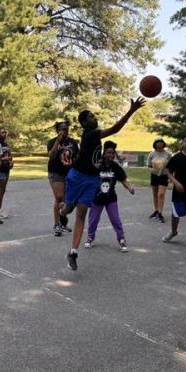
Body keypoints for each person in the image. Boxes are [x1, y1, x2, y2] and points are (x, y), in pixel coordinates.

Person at [62, 97, 146, 270]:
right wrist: (131, 110)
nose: (95, 118)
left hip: (91, 179)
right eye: (92, 117)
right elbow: (115, 128)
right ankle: (61, 210)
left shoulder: (92, 135)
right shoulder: (90, 134)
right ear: (85, 122)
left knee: (81, 216)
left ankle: (73, 252)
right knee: (68, 209)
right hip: (77, 176)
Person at [85, 141, 134, 251]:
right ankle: (90, 237)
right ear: (104, 153)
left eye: (112, 153)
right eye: (108, 153)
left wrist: (130, 187)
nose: (111, 155)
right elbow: (88, 178)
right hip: (97, 198)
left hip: (111, 198)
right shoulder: (97, 165)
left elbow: (123, 180)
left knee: (115, 220)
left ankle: (121, 239)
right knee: (93, 220)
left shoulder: (115, 167)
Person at [47, 120, 78, 236]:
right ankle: (56, 225)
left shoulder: (73, 142)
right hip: (56, 172)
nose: (65, 131)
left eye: (66, 128)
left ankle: (62, 222)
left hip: (69, 173)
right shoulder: (52, 142)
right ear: (57, 131)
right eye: (62, 129)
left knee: (66, 199)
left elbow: (76, 157)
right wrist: (57, 142)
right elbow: (52, 156)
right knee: (59, 197)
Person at [147, 138, 171, 223]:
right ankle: (156, 210)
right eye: (157, 142)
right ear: (155, 144)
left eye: (161, 142)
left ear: (163, 144)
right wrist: (152, 170)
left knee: (161, 194)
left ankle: (160, 213)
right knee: (155, 194)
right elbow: (149, 166)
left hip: (163, 176)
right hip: (154, 176)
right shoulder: (152, 154)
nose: (159, 144)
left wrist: (170, 176)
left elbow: (171, 166)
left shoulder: (168, 154)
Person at [0, 127, 13, 218]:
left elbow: (10, 156)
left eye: (5, 132)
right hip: (0, 169)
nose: (4, 134)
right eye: (2, 132)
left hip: (6, 169)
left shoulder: (6, 144)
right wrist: (3, 159)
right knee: (0, 190)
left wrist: (11, 161)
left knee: (2, 190)